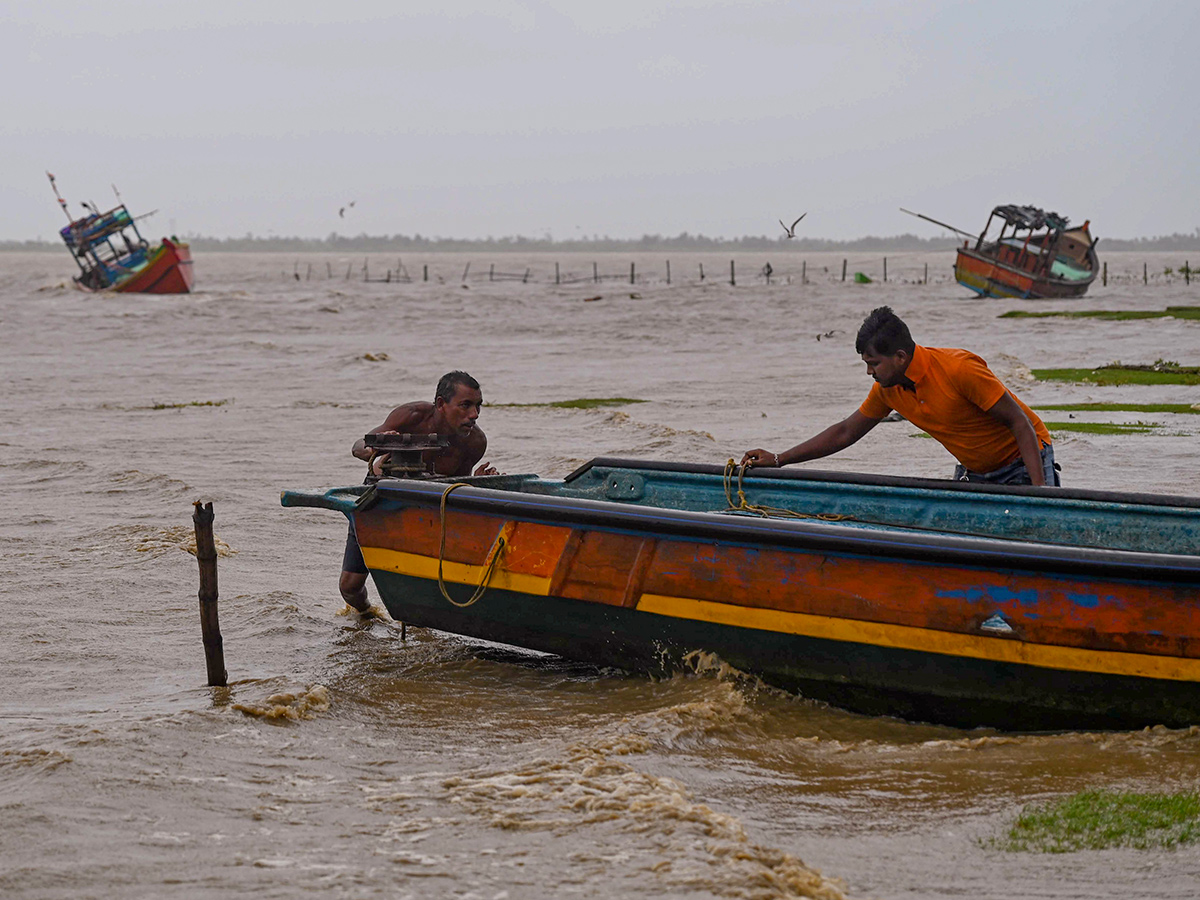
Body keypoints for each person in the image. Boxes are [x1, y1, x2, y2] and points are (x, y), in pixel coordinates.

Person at [741, 306, 1060, 486]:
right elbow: (845, 432)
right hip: (974, 470)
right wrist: (779, 460)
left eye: (873, 364)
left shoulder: (959, 370)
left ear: (900, 357)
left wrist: (1040, 494)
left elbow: (1020, 423)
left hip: (1022, 460)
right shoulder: (888, 390)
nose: (870, 373)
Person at [339, 371, 498, 614]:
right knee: (350, 587)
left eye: (478, 406)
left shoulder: (474, 442)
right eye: (465, 405)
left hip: (425, 512)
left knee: (420, 584)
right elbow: (359, 446)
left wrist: (477, 484)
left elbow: (457, 491)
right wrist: (376, 445)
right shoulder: (411, 416)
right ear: (441, 404)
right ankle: (367, 616)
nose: (474, 415)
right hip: (380, 500)